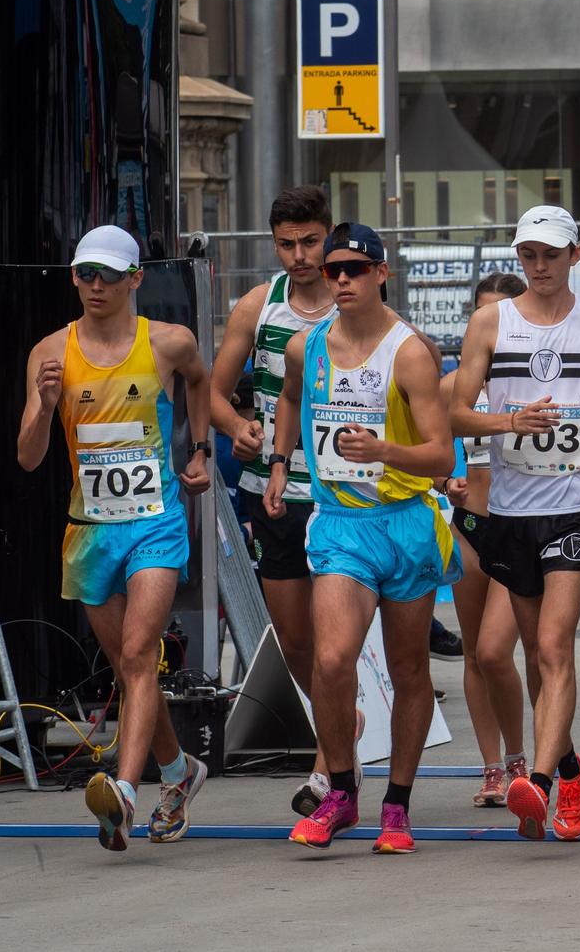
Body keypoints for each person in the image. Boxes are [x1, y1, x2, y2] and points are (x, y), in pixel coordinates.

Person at [17, 225, 213, 851]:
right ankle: (179, 775)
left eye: (107, 274)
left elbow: (201, 382)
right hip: (90, 533)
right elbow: (26, 459)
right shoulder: (51, 351)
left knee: (136, 657)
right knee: (132, 673)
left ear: (135, 279)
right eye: (84, 274)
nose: (95, 285)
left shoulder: (169, 342)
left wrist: (201, 448)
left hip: (155, 522)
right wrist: (44, 407)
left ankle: (124, 792)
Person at [269, 224, 459, 852]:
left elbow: (440, 457)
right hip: (340, 525)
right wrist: (279, 460)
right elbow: (291, 398)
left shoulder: (409, 353)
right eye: (333, 271)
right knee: (331, 660)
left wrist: (384, 450)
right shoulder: (306, 346)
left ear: (382, 273)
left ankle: (397, 804)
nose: (342, 279)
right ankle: (344, 791)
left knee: (409, 668)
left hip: (404, 523)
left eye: (354, 268)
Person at [449, 206, 580, 842]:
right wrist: (507, 423)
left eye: (551, 254)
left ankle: (544, 783)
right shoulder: (490, 322)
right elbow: (455, 412)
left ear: (575, 256)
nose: (540, 265)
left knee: (554, 647)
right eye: (529, 254)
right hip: (510, 511)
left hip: (576, 505)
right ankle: (573, 771)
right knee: (533, 654)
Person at [207, 185, 339, 817]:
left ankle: (327, 767)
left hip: (345, 499)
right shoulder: (258, 306)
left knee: (339, 637)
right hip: (274, 493)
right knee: (295, 643)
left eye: (310, 241)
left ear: (328, 234)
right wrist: (236, 429)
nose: (299, 256)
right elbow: (212, 391)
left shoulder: (356, 303)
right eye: (286, 244)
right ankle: (341, 732)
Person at [443, 272, 534, 808]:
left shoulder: (535, 378)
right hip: (470, 526)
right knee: (475, 654)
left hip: (521, 525)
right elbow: (430, 444)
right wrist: (441, 480)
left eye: (502, 315)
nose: (492, 325)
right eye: (483, 315)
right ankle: (492, 768)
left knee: (501, 653)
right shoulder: (454, 385)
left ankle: (524, 757)